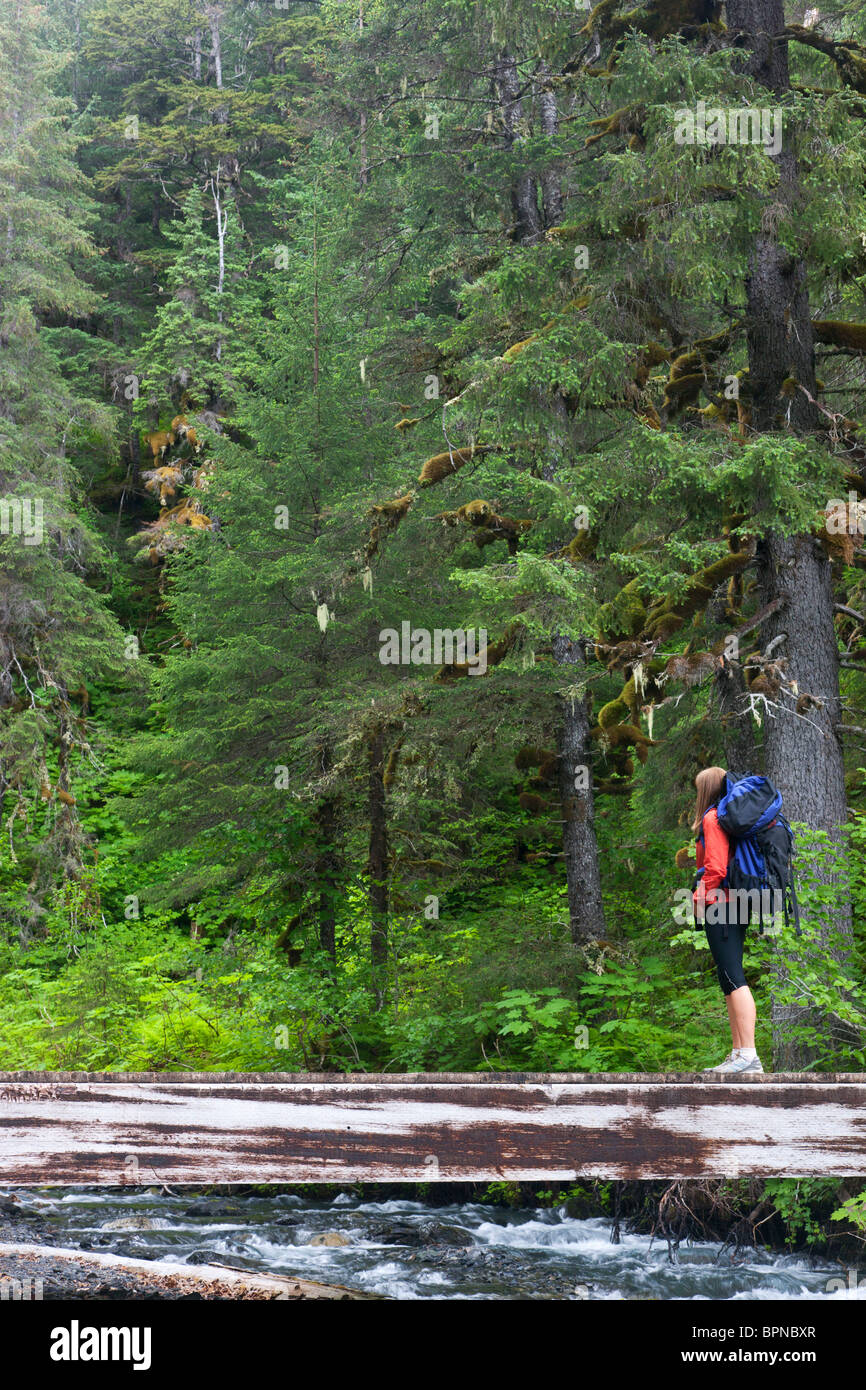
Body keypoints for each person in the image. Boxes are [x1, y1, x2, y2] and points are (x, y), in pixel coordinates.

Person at [692, 766, 764, 1074]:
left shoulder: (713, 818)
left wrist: (698, 897)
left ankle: (749, 1055)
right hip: (733, 903)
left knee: (734, 977)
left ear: (705, 789)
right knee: (728, 979)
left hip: (721, 903)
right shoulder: (724, 817)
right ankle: (739, 1055)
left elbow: (717, 868)